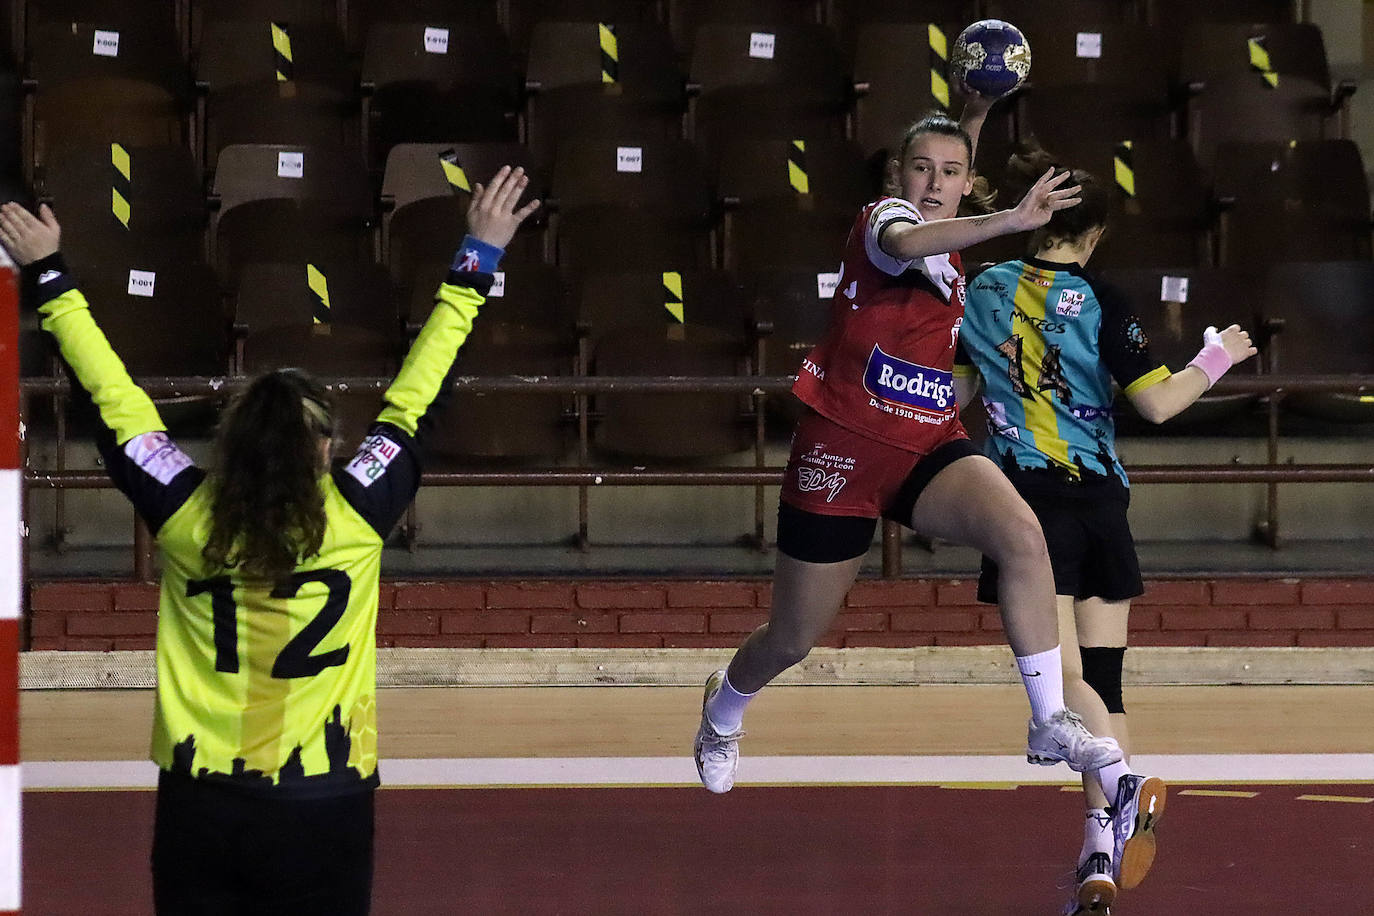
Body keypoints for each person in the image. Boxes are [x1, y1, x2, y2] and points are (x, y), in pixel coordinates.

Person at [0, 166, 539, 915]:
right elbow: (422, 393)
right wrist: (479, 255)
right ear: (324, 451)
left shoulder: (185, 515)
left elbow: (112, 401)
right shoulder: (357, 515)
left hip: (203, 802)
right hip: (326, 802)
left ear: (234, 444)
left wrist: (50, 275)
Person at [693, 96, 1127, 808]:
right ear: (897, 175)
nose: (934, 182)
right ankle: (724, 709)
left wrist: (976, 107)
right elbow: (906, 242)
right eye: (920, 168)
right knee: (793, 639)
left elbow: (954, 178)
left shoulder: (952, 223)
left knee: (1022, 536)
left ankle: (1050, 719)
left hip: (927, 443)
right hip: (843, 452)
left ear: (967, 181)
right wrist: (1014, 220)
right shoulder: (881, 224)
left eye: (950, 172)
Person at [954, 147, 1257, 914]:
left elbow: (956, 389)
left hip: (1026, 507)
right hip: (1100, 502)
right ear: (1091, 237)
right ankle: (1099, 843)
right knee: (1102, 680)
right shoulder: (1101, 299)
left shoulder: (983, 291)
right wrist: (1218, 356)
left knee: (1058, 684)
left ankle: (1121, 787)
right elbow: (1158, 403)